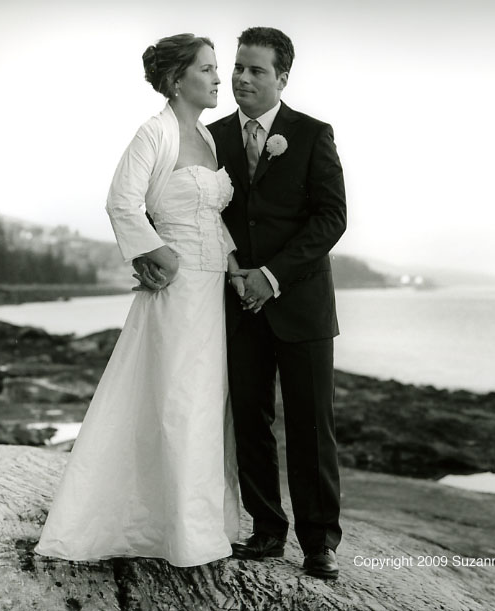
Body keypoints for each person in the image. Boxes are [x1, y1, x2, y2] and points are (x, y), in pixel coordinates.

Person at [34, 33, 242, 567]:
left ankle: (198, 526)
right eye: (207, 69)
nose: (218, 78)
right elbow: (121, 203)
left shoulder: (208, 138)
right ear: (176, 80)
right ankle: (167, 532)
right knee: (176, 402)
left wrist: (233, 263)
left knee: (205, 403)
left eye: (216, 68)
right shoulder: (154, 133)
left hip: (212, 293)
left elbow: (208, 216)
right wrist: (157, 256)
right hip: (176, 293)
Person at [212, 26, 347, 580]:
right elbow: (204, 215)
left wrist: (272, 276)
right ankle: (267, 529)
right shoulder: (211, 137)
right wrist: (235, 273)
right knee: (249, 420)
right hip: (237, 303)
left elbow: (331, 218)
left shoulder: (312, 134)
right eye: (238, 67)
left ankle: (320, 542)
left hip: (302, 304)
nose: (242, 78)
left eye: (256, 70)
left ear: (282, 78)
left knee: (312, 425)